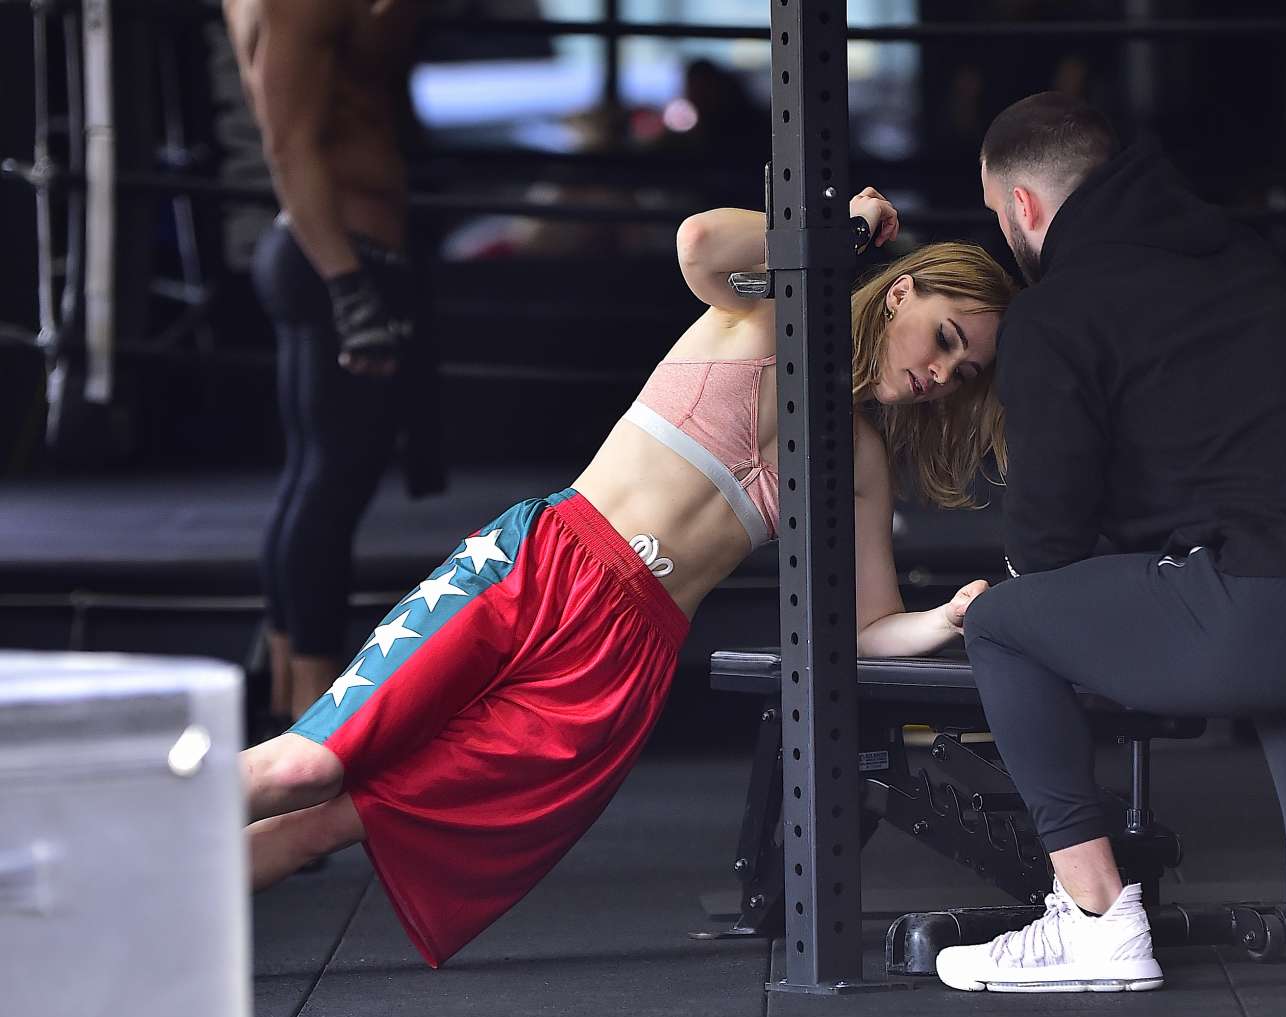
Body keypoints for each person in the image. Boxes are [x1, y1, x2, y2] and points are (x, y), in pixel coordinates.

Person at [237, 189, 1016, 968]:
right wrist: (841, 235)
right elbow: (701, 240)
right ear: (902, 291)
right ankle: (115, 819)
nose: (941, 373)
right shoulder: (767, 316)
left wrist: (948, 617)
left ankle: (130, 912)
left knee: (344, 819)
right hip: (542, 569)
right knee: (308, 765)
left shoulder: (860, 459)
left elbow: (871, 626)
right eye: (944, 338)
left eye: (964, 371)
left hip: (618, 658)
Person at [936, 92, 1286, 997]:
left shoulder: (1055, 313)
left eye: (999, 216)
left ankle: (1097, 920)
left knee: (1006, 622)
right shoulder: (1240, 260)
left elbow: (1048, 542)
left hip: (1270, 611)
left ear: (1021, 206)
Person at [224, 0, 444, 729]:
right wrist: (348, 287)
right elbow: (288, 145)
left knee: (314, 483)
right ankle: (312, 729)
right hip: (338, 256)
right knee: (328, 490)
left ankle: (289, 704)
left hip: (337, 252)